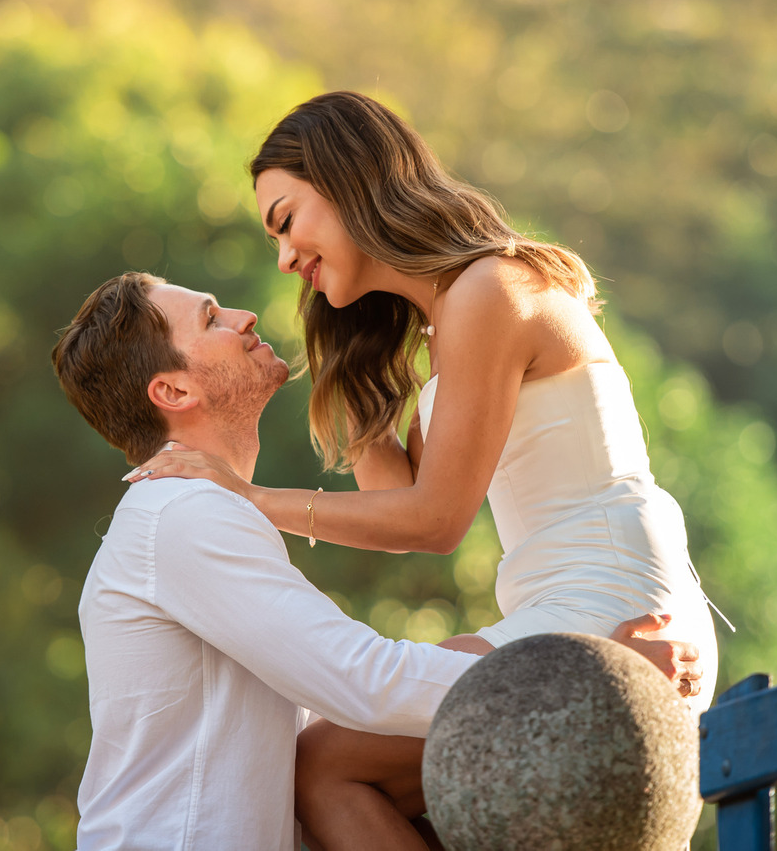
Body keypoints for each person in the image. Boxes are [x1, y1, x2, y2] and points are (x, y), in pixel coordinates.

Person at [122, 91, 727, 847]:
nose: (282, 259)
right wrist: (346, 367)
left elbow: (436, 521)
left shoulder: (491, 289)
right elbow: (402, 514)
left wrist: (245, 496)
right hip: (558, 600)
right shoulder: (447, 323)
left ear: (350, 183)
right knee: (358, 778)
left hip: (609, 597)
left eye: (286, 221)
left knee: (324, 769)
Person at [53, 271, 702, 851]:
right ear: (173, 388)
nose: (244, 317)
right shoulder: (182, 515)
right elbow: (365, 681)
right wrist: (581, 678)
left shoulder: (199, 516)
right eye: (212, 318)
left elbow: (308, 750)